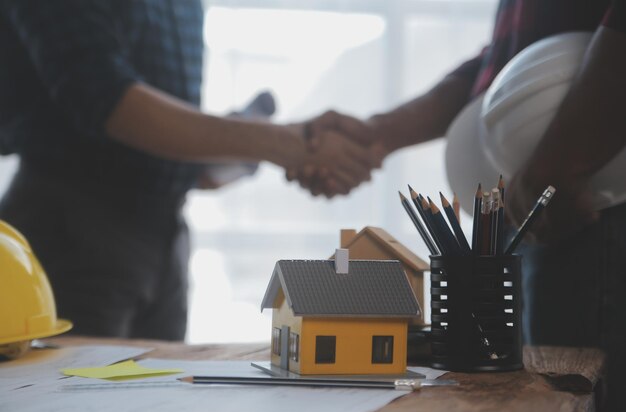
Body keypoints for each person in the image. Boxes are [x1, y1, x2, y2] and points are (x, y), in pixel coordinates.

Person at [297, 1, 626, 412]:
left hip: (588, 189)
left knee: (569, 397)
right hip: (536, 185)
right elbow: (502, 60)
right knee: (535, 396)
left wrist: (558, 162)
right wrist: (378, 133)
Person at [0, 1, 378, 341]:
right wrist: (287, 144)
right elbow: (103, 98)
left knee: (155, 393)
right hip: (72, 226)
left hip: (164, 231)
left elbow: (153, 125)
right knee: (72, 393)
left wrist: (254, 149)